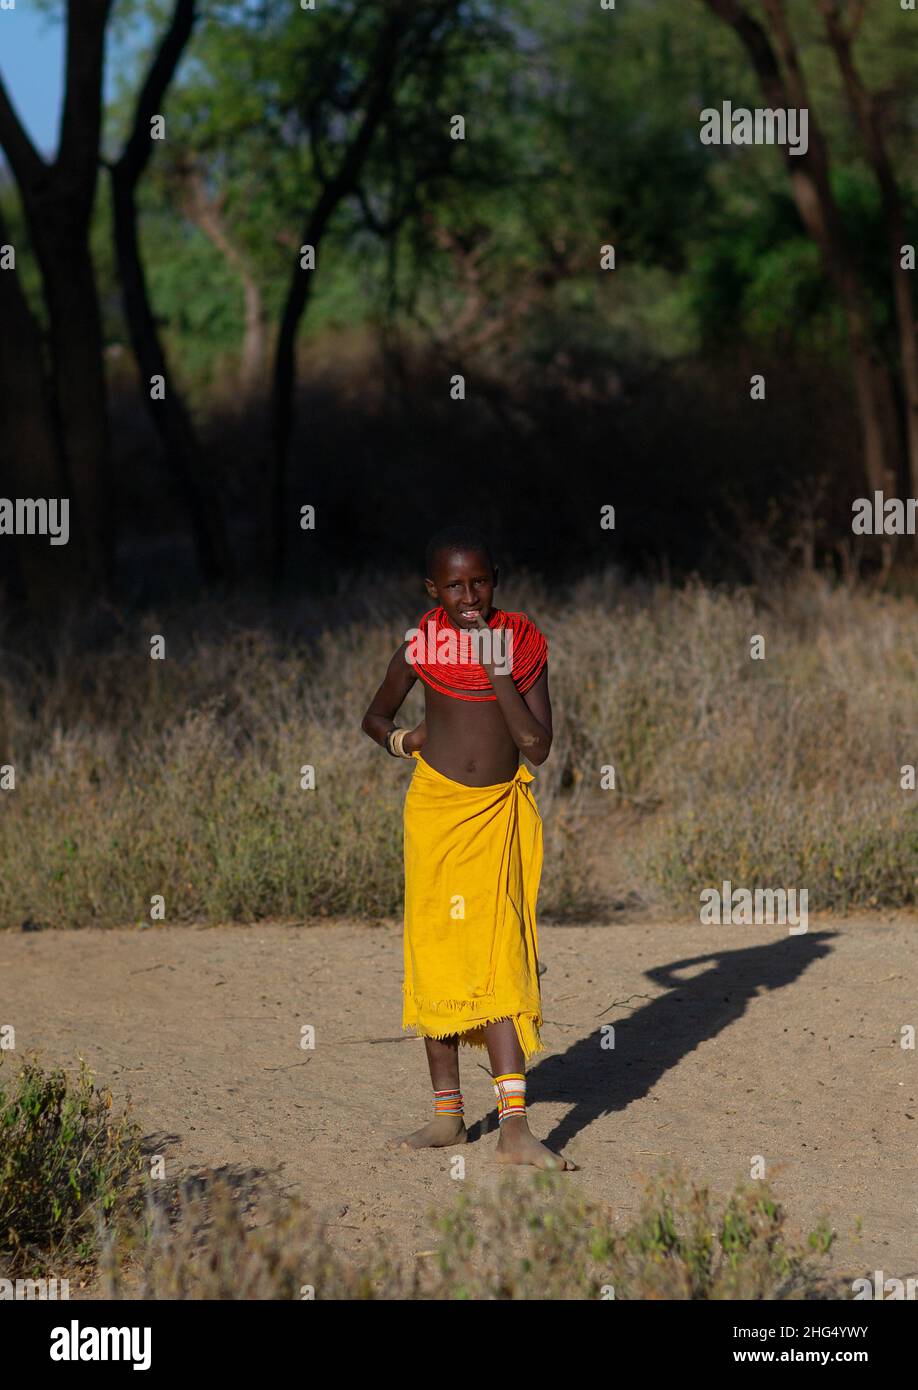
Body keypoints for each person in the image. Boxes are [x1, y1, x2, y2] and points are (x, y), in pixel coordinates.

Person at [361, 525, 575, 1169]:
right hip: (435, 813)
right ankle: (448, 1117)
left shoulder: (524, 643)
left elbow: (537, 746)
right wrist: (406, 741)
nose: (469, 594)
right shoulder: (421, 645)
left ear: (497, 580)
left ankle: (514, 1128)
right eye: (454, 585)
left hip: (497, 815)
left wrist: (497, 671)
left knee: (498, 959)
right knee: (439, 956)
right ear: (434, 590)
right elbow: (375, 717)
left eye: (479, 581)